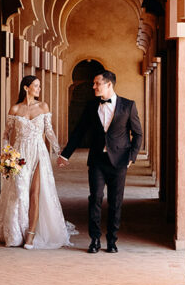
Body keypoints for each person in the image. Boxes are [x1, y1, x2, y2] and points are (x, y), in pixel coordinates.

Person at [56, 70, 143, 254]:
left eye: (97, 84)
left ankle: (112, 240)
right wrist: (65, 154)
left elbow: (138, 134)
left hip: (119, 161)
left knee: (116, 201)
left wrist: (131, 157)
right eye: (94, 84)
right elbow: (79, 131)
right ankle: (94, 240)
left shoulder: (128, 106)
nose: (93, 86)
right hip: (97, 160)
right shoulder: (91, 106)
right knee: (94, 199)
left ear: (109, 84)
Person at [0, 75, 76, 249]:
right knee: (19, 193)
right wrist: (7, 156)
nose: (38, 89)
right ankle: (16, 233)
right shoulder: (15, 109)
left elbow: (49, 131)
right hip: (19, 155)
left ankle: (30, 235)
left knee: (34, 194)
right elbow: (6, 135)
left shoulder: (43, 106)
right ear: (26, 88)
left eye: (39, 86)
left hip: (39, 153)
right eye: (36, 86)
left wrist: (58, 151)